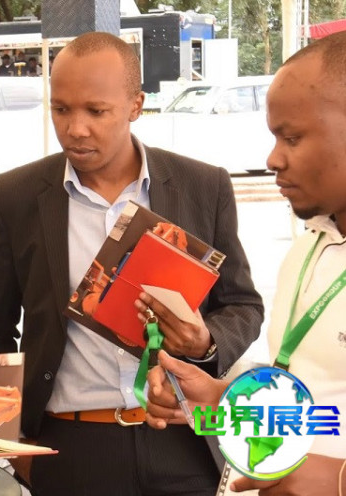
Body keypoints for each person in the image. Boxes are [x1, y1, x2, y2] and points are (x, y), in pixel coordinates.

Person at [0, 31, 263, 495]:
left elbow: (243, 305)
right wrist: (9, 442)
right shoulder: (16, 196)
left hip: (183, 441)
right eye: (61, 109)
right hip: (70, 447)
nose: (75, 128)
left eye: (96, 111)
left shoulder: (202, 186)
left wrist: (206, 342)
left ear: (135, 105)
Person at [145, 31, 346, 496]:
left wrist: (336, 479)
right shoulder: (309, 250)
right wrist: (219, 401)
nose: (273, 159)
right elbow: (323, 404)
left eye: (292, 137)